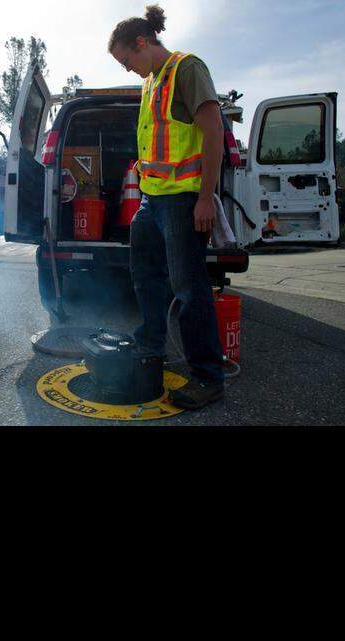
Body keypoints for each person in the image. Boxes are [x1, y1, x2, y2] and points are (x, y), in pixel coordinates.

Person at [109, 4, 226, 410]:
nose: (127, 69)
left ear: (142, 42)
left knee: (190, 290)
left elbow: (213, 132)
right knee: (145, 276)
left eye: (127, 59)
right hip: (152, 200)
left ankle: (208, 378)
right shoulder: (151, 82)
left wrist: (206, 197)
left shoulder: (186, 68)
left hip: (182, 200)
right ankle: (149, 349)